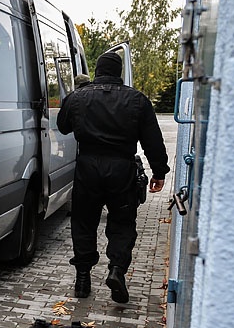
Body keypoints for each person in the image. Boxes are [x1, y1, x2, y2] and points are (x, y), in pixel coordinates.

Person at [57, 52, 169, 303]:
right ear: (119, 72)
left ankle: (83, 278)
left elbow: (63, 126)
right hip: (122, 169)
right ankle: (117, 270)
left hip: (87, 167)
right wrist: (159, 172)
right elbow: (153, 141)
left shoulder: (78, 97)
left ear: (97, 71)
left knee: (84, 222)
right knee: (122, 223)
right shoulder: (137, 100)